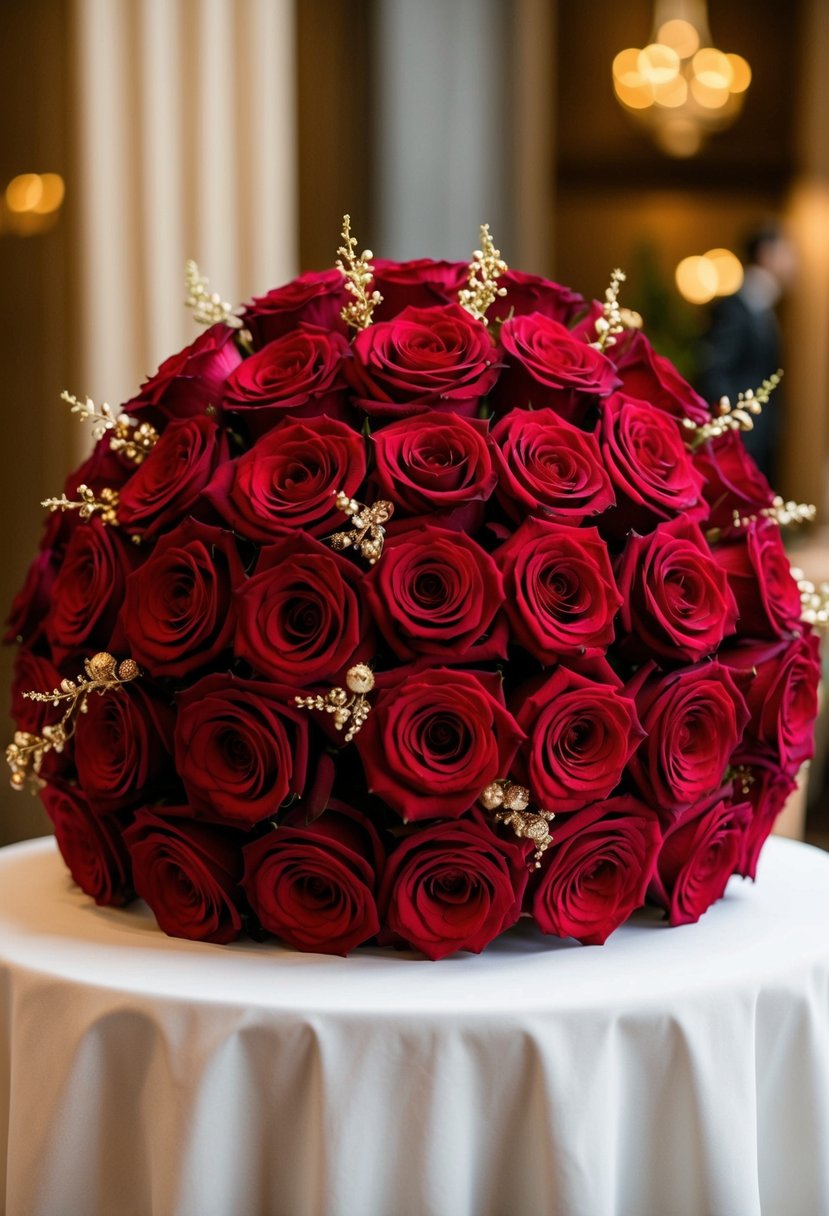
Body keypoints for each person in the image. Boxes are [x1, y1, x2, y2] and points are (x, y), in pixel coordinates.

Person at [697, 222, 797, 483]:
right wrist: (734, 426)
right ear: (766, 253)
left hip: (761, 437)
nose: (793, 261)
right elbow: (714, 370)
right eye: (787, 252)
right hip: (742, 437)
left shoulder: (764, 306)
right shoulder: (735, 308)